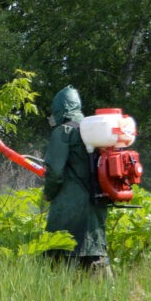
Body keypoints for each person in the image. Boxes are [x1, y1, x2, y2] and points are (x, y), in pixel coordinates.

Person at [42, 85, 111, 273]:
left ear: (60, 109)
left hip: (69, 209)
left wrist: (48, 194)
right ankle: (109, 296)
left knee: (58, 256)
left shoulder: (63, 132)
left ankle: (55, 297)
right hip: (96, 205)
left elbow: (55, 174)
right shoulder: (92, 131)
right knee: (94, 255)